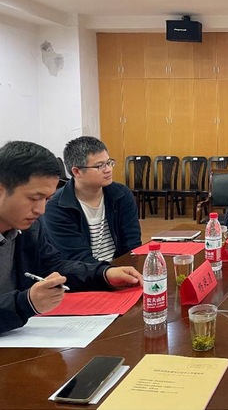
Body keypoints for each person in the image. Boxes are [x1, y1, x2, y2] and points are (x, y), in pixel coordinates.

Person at [0, 141, 143, 335]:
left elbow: (53, 266)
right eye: (34, 198)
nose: (41, 210)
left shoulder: (28, 227)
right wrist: (26, 303)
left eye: (47, 199)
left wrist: (103, 274)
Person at [43, 136, 141, 263]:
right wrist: (108, 272)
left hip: (120, 267)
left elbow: (132, 244)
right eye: (100, 166)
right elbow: (76, 258)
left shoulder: (121, 194)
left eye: (109, 163)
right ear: (76, 171)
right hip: (84, 272)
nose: (108, 170)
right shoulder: (57, 207)